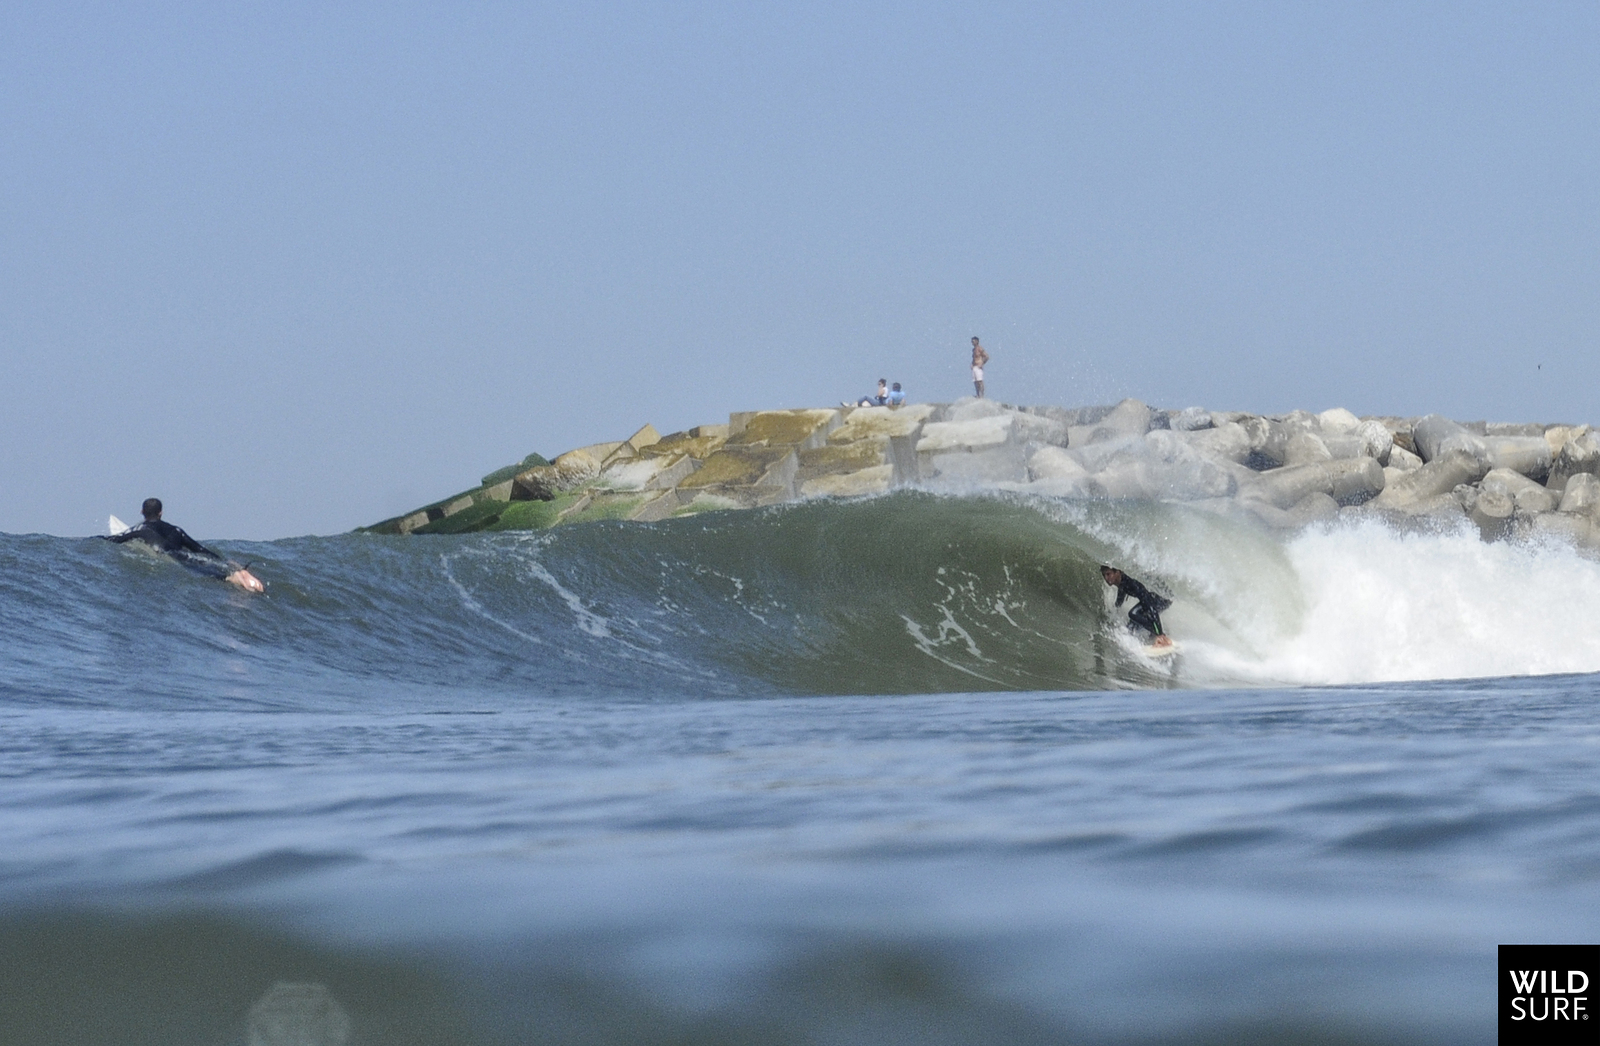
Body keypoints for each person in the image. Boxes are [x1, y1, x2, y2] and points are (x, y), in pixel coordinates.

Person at [105, 498, 264, 592]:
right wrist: (222, 560)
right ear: (161, 513)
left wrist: (97, 538)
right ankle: (237, 570)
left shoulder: (140, 530)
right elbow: (199, 549)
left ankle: (234, 578)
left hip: (173, 558)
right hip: (187, 556)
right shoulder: (176, 530)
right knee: (207, 565)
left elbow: (116, 540)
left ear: (142, 512)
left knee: (212, 576)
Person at [1100, 566, 1170, 640]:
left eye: (1108, 574)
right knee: (1130, 628)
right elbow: (1121, 595)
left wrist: (1159, 633)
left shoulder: (1131, 583)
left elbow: (1151, 607)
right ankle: (1153, 636)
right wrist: (1115, 609)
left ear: (1117, 572)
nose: (1106, 578)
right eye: (1104, 575)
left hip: (1161, 600)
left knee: (1133, 614)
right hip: (1153, 599)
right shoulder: (1121, 582)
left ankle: (1161, 635)